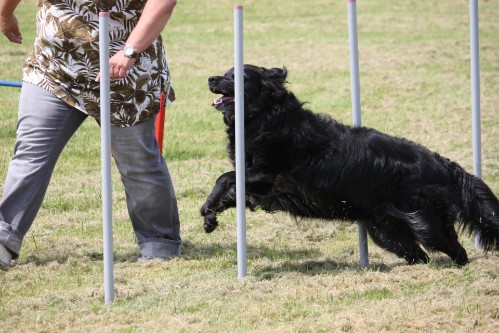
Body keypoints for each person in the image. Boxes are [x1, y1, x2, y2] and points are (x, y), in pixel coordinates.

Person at [0, 0, 181, 268]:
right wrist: (5, 12)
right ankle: (4, 239)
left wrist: (130, 51)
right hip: (56, 66)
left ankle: (159, 243)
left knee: (138, 163)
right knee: (31, 154)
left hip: (126, 71)